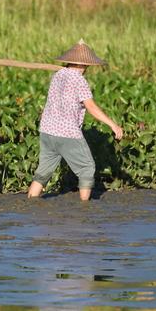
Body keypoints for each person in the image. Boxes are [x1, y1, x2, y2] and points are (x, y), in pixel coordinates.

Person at [27, 39, 123, 201]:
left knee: (43, 172)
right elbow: (91, 107)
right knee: (86, 168)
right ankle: (84, 208)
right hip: (67, 132)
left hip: (47, 130)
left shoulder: (57, 75)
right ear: (83, 64)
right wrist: (113, 125)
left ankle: (29, 202)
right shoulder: (80, 80)